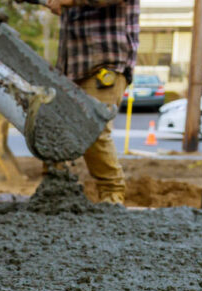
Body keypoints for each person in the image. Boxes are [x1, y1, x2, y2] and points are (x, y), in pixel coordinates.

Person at [47, 0, 140, 204]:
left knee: (93, 130)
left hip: (104, 63)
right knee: (53, 129)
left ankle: (112, 196)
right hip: (71, 67)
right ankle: (56, 195)